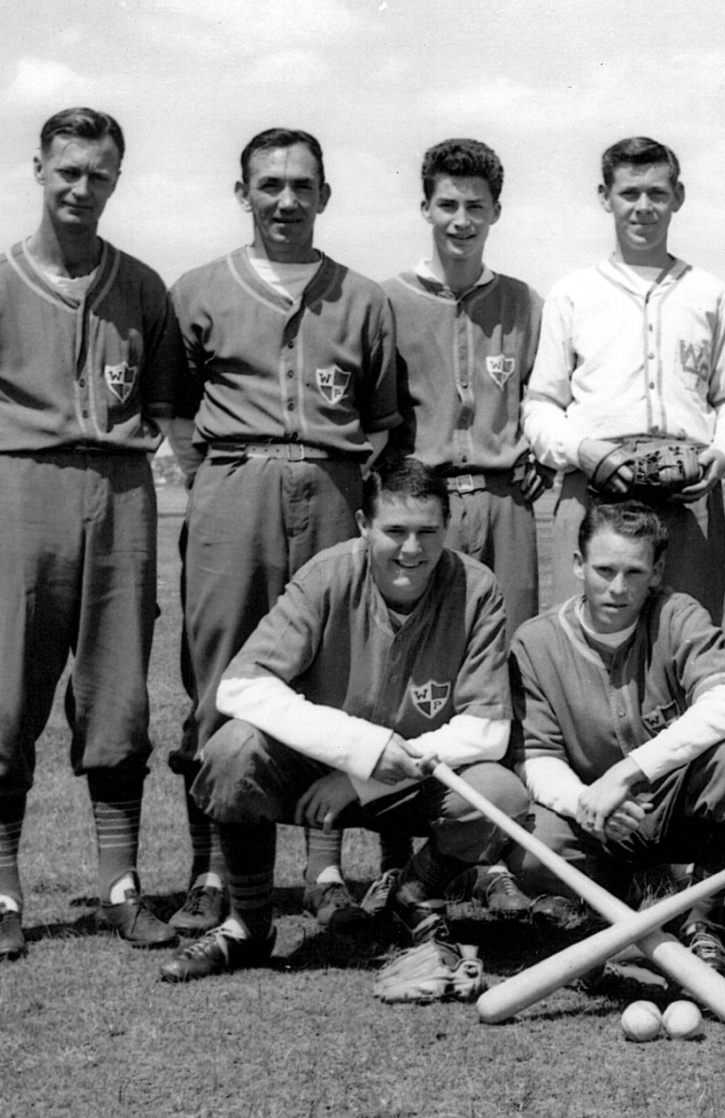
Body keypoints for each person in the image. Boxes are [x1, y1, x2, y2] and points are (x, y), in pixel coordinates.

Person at [0, 107, 184, 961]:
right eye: (67, 171)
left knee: (119, 691)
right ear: (38, 168)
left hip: (119, 491)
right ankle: (1, 892)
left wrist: (114, 470)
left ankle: (121, 884)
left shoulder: (143, 287)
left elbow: (161, 408)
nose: (82, 188)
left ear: (118, 178)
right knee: (7, 690)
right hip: (18, 489)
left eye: (100, 174)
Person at [159, 457, 527, 982]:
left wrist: (362, 778)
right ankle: (249, 926)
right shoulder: (327, 574)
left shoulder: (477, 588)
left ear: (449, 528)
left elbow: (487, 730)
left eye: (428, 532)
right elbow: (241, 685)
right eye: (394, 531)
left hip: (406, 780)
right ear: (363, 526)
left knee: (501, 793)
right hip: (315, 770)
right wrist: (359, 748)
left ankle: (412, 894)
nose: (412, 549)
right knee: (231, 749)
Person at [165, 128, 401, 936]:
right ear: (244, 195)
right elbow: (172, 405)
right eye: (268, 185)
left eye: (302, 185)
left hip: (333, 482)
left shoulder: (363, 298)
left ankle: (325, 868)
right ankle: (210, 868)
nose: (286, 200)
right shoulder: (198, 288)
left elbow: (382, 418)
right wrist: (220, 479)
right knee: (222, 667)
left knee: (329, 668)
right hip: (235, 480)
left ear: (325, 195)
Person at [382, 138, 547, 919]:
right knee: (413, 670)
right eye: (446, 204)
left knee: (503, 668)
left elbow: (544, 406)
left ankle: (496, 857)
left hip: (505, 502)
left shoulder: (524, 301)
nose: (460, 218)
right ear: (425, 208)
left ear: (496, 214)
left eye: (475, 206)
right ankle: (399, 858)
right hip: (425, 504)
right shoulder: (388, 300)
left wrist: (541, 454)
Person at [506, 501, 725, 976]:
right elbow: (535, 757)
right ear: (578, 564)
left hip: (673, 807)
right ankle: (626, 906)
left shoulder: (677, 613)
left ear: (657, 570)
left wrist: (626, 775)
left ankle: (704, 920)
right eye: (604, 570)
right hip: (598, 822)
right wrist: (588, 801)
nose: (618, 587)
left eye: (634, 571)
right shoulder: (535, 641)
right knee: (531, 845)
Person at [523, 136, 725, 623]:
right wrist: (583, 450)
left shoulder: (709, 293)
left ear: (677, 197)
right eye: (629, 194)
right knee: (585, 649)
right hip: (597, 487)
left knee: (690, 644)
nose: (643, 208)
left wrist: (723, 453)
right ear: (606, 197)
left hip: (688, 493)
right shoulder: (574, 293)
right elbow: (540, 406)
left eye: (657, 194)